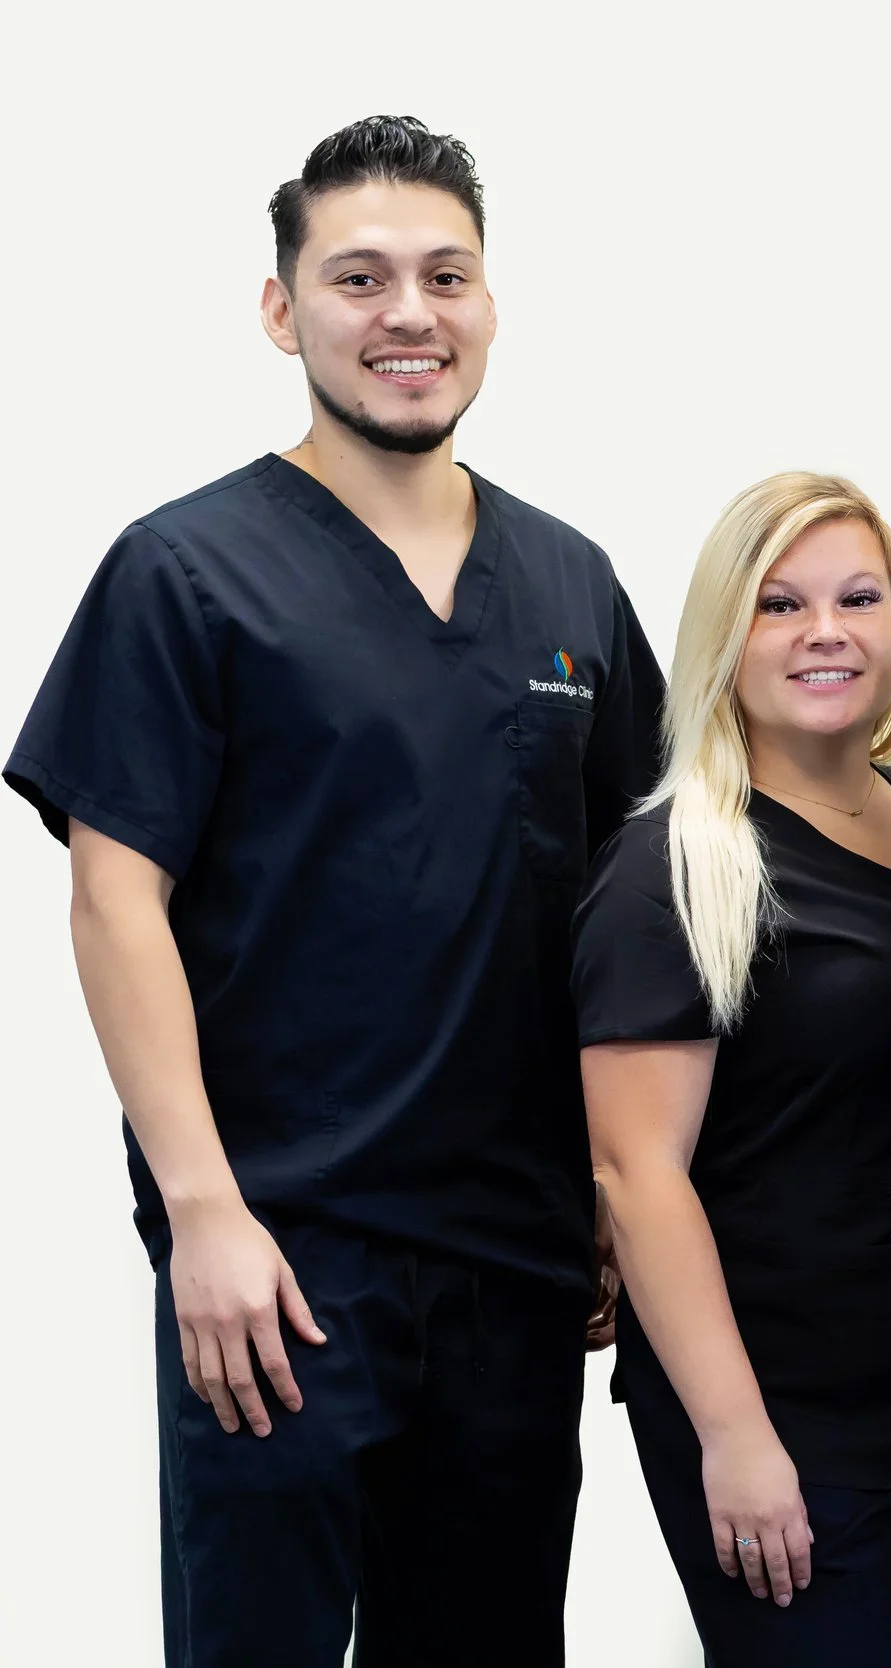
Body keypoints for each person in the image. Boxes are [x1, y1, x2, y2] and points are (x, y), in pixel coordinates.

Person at [3, 117, 662, 1666]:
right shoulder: (188, 572)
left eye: (445, 275)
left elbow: (630, 919)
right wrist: (204, 1211)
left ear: (491, 304)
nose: (407, 314)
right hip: (281, 1256)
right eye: (358, 278)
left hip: (516, 1262)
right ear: (283, 310)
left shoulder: (571, 588)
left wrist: (628, 1196)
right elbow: (115, 905)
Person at [574, 473, 891, 1666]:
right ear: (725, 642)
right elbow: (634, 1173)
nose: (826, 632)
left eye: (857, 598)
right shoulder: (675, 863)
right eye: (779, 605)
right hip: (787, 1420)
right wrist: (734, 1436)